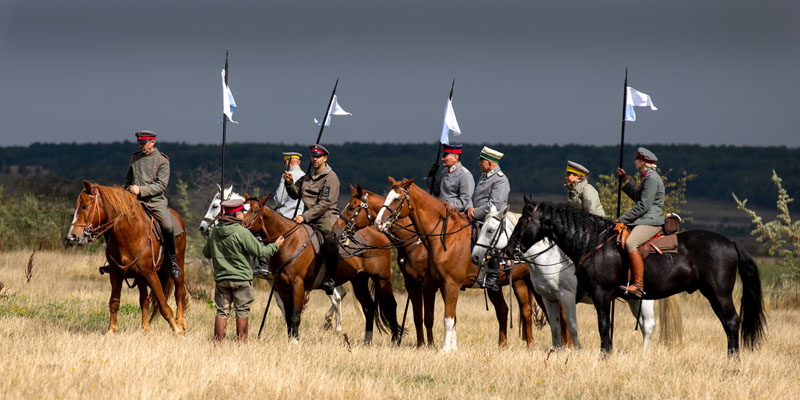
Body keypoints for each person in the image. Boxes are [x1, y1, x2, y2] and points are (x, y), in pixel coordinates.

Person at [203, 198, 284, 343]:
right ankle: (242, 345)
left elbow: (206, 252)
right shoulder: (242, 233)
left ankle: (218, 344)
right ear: (236, 215)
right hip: (241, 279)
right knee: (242, 312)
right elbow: (260, 252)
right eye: (241, 212)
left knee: (222, 312)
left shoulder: (214, 232)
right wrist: (276, 245)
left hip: (222, 279)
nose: (243, 214)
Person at [284, 144, 340, 295]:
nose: (314, 159)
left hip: (325, 217)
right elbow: (295, 194)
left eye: (318, 157)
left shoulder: (331, 177)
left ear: (325, 158)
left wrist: (304, 216)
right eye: (313, 157)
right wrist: (289, 183)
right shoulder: (308, 176)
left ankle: (331, 277)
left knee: (330, 239)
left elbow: (325, 203)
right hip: (307, 218)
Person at [123, 130, 180, 279]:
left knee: (167, 226)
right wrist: (126, 191)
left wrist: (140, 190)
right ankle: (116, 260)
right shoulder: (135, 158)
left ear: (152, 142)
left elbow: (161, 186)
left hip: (155, 202)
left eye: (144, 143)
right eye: (139, 143)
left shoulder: (163, 161)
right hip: (134, 202)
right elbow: (128, 180)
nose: (141, 146)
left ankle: (173, 260)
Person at [615, 147, 665, 297]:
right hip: (645, 219)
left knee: (631, 243)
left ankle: (638, 286)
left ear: (642, 162)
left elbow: (644, 205)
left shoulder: (651, 178)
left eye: (637, 159)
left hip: (651, 221)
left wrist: (622, 219)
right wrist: (625, 181)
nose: (635, 161)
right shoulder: (647, 176)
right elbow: (638, 196)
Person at [253, 151, 306, 278]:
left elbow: (279, 199)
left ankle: (264, 265)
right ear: (298, 162)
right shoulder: (305, 175)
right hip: (301, 216)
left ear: (287, 163)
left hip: (285, 216)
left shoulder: (287, 175)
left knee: (260, 233)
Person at [467, 146, 510, 291]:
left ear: (490, 163)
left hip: (493, 219)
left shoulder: (501, 180)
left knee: (489, 239)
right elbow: (476, 197)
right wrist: (469, 209)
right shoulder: (484, 176)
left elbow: (495, 205)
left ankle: (493, 275)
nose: (479, 163)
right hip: (479, 217)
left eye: (482, 161)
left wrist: (474, 212)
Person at [436, 143, 474, 213]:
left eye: (445, 155)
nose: (442, 158)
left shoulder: (465, 175)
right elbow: (437, 192)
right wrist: (430, 177)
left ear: (455, 158)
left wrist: (446, 207)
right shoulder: (444, 172)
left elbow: (465, 200)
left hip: (456, 214)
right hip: (441, 211)